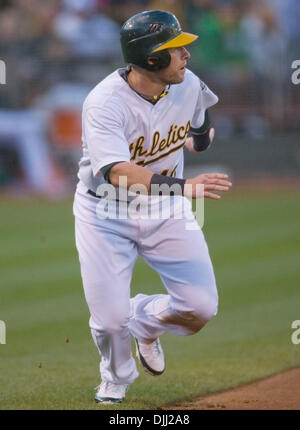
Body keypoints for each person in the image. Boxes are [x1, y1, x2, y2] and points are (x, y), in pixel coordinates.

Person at [73, 9, 232, 404]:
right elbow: (116, 173)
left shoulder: (188, 83)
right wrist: (183, 185)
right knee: (110, 322)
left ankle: (144, 322)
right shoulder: (104, 103)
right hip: (105, 211)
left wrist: (199, 141)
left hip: (165, 209)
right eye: (176, 49)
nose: (187, 55)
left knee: (199, 308)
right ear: (151, 59)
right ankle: (115, 377)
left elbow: (199, 126)